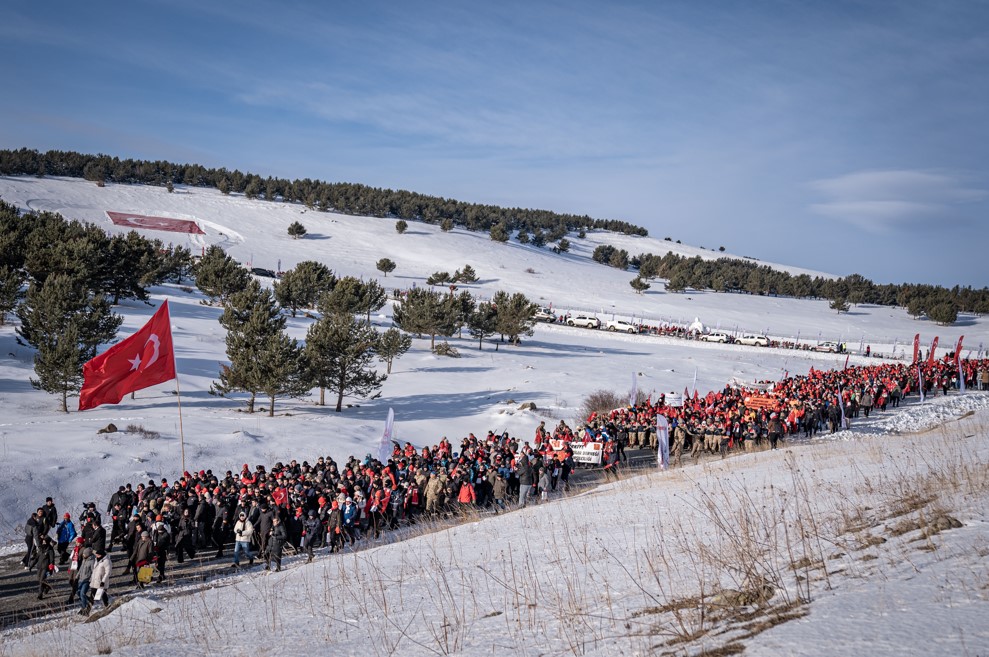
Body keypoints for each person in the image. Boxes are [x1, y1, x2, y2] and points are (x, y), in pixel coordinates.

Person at [75, 547, 95, 615]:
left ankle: (84, 608)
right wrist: (77, 576)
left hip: (86, 580)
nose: (83, 555)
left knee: (82, 594)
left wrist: (91, 580)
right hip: (81, 579)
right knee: (78, 592)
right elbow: (81, 569)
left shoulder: (92, 561)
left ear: (88, 554)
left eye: (84, 554)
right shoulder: (84, 560)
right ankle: (88, 600)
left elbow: (93, 571)